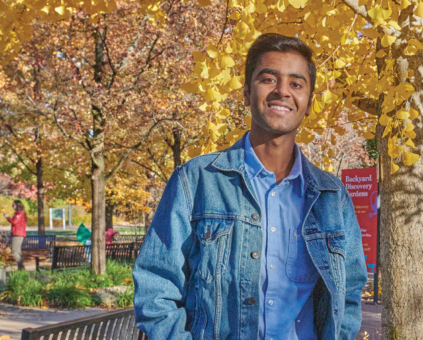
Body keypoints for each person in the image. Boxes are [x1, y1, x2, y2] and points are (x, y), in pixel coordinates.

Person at [133, 33, 368, 340]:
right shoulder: (196, 181)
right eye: (268, 79)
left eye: (296, 84)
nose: (282, 91)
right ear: (246, 93)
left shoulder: (331, 197)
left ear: (308, 103)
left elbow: (348, 293)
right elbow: (156, 288)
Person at [4, 200, 27, 270]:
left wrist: (7, 217)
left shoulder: (20, 213)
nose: (12, 206)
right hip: (17, 234)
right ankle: (21, 268)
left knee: (15, 251)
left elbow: (14, 222)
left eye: (13, 205)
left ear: (18, 205)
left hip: (18, 234)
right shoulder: (19, 213)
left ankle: (21, 267)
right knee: (17, 252)